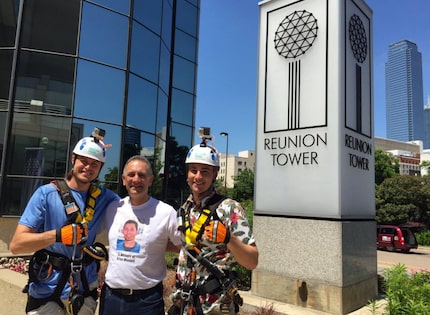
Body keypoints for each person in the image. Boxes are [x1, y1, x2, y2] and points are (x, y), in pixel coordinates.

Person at [10, 128, 120, 315]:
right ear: (73, 159)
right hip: (47, 291)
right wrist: (58, 235)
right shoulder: (46, 194)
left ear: (100, 168)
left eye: (95, 164)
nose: (88, 168)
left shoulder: (104, 198)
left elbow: (136, 209)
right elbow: (16, 246)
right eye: (83, 161)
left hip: (85, 290)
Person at [170, 131, 259, 315]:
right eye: (193, 170)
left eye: (205, 171)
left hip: (215, 304)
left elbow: (252, 261)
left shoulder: (229, 209)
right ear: (187, 173)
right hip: (186, 304)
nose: (198, 176)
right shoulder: (185, 209)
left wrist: (229, 239)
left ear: (215, 174)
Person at [99, 155, 182, 315]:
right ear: (123, 179)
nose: (136, 179)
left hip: (147, 301)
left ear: (150, 180)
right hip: (111, 298)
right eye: (131, 175)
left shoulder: (165, 212)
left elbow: (183, 248)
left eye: (141, 175)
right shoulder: (113, 209)